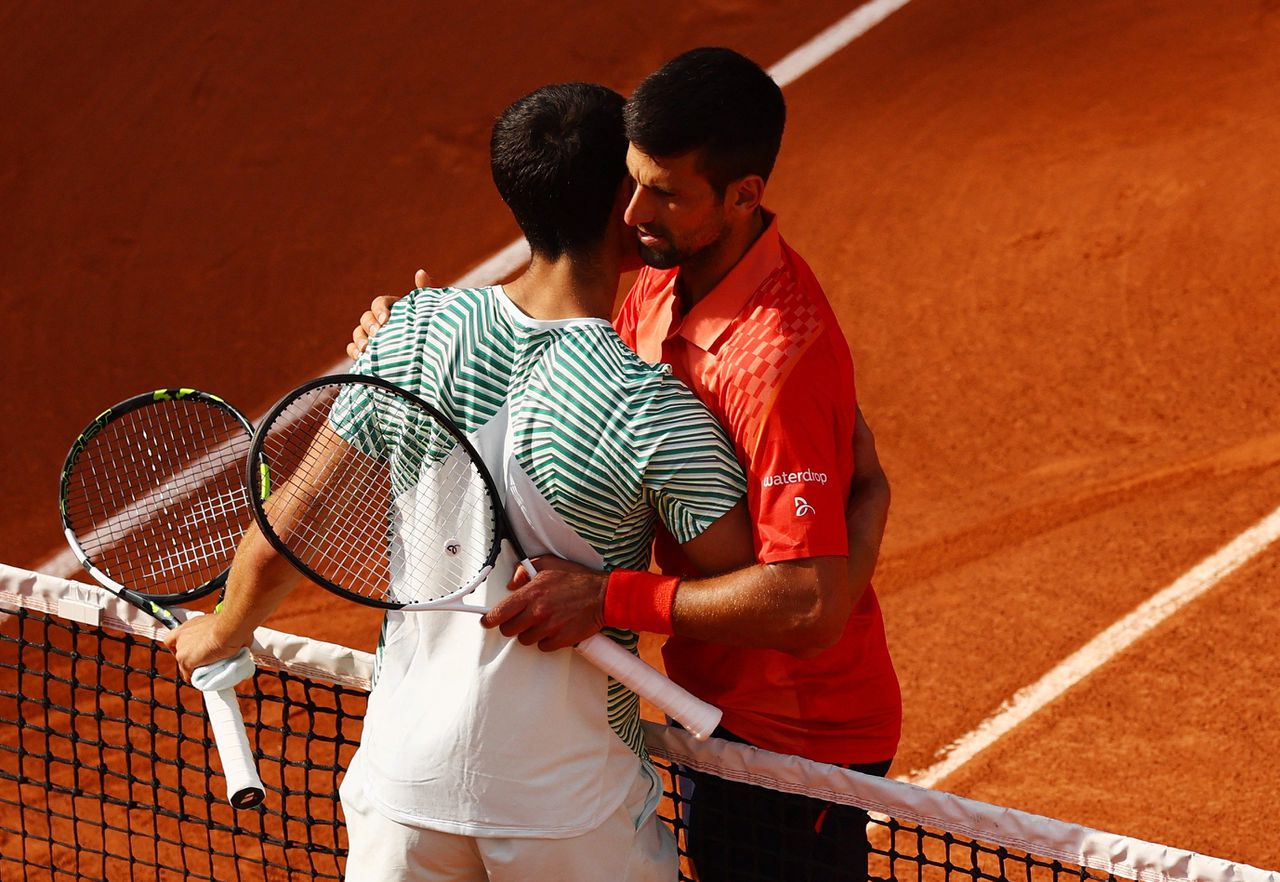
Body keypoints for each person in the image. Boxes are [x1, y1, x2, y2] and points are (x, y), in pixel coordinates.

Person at [167, 82, 757, 882]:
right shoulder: (655, 413)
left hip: (402, 789)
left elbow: (289, 527)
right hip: (568, 808)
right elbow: (749, 588)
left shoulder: (406, 336)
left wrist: (221, 632)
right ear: (626, 203)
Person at [352, 48, 900, 881]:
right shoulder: (658, 267)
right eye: (633, 181)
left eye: (665, 193)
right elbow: (547, 353)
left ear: (744, 195)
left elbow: (810, 609)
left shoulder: (776, 362)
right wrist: (409, 336)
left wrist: (607, 596)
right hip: (708, 694)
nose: (633, 211)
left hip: (795, 733)